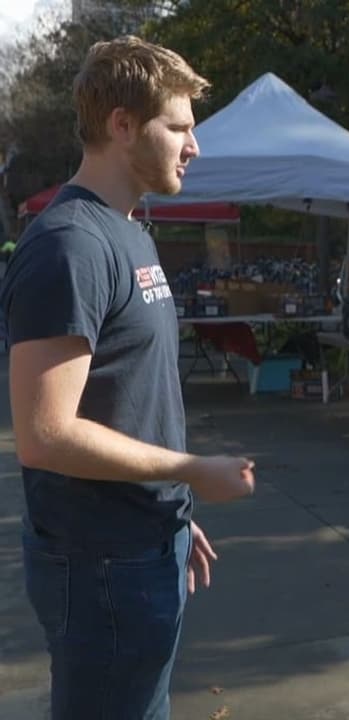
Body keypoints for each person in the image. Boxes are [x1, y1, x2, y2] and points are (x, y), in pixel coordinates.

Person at [0, 36, 256, 719]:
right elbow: (45, 435)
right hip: (101, 568)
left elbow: (125, 397)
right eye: (177, 127)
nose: (193, 146)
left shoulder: (128, 232)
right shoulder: (69, 246)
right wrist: (191, 467)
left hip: (141, 543)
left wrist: (170, 503)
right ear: (121, 124)